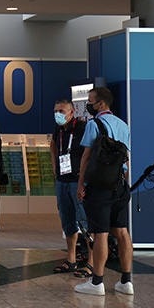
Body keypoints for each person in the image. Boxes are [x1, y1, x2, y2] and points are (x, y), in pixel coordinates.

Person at [75, 87, 133, 296]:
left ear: (100, 104)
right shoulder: (123, 125)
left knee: (100, 233)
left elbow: (86, 157)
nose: (88, 105)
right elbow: (126, 158)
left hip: (99, 187)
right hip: (119, 186)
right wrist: (122, 183)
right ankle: (126, 281)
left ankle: (97, 282)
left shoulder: (94, 124)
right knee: (122, 231)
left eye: (90, 101)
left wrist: (81, 185)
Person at [49, 99, 93, 276]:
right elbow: (53, 145)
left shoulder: (83, 128)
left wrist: (83, 178)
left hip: (78, 180)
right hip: (62, 181)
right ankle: (71, 259)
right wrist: (54, 168)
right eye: (55, 110)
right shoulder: (58, 129)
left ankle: (91, 262)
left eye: (61, 110)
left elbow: (89, 153)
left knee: (85, 221)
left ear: (72, 112)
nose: (58, 114)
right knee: (67, 221)